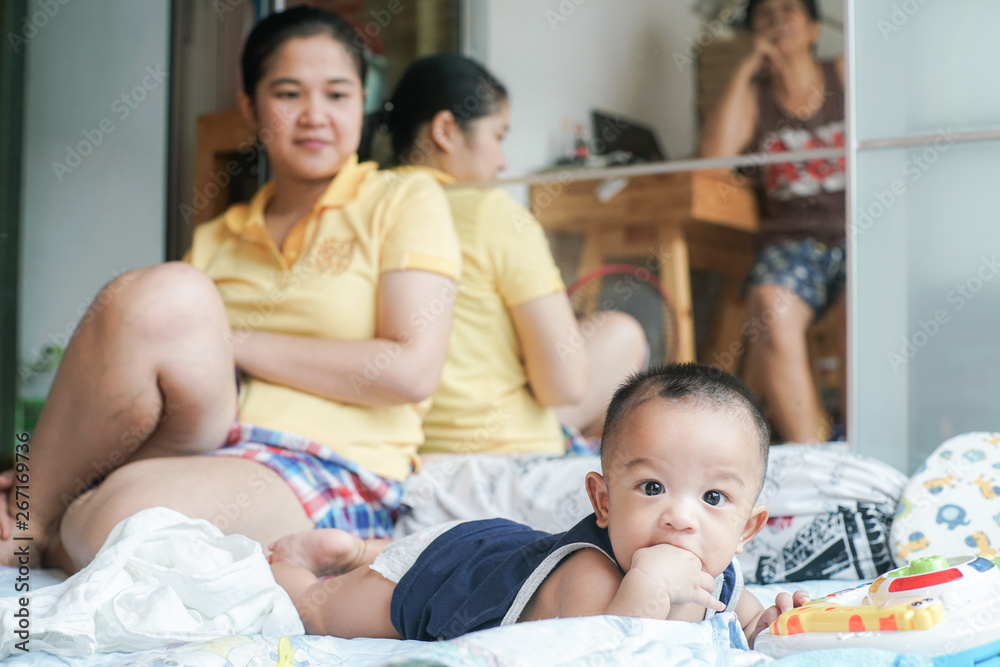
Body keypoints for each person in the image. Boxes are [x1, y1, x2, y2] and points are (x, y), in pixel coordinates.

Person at [0, 6, 460, 572]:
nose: (315, 115)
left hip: (327, 462)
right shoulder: (219, 235)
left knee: (118, 523)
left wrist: (230, 339)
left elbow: (410, 370)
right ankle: (31, 510)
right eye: (289, 94)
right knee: (165, 293)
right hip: (204, 439)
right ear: (250, 106)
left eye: (337, 95)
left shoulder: (403, 199)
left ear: (360, 104)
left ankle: (51, 521)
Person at [269, 363, 802, 648]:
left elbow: (744, 625)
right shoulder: (590, 578)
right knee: (318, 614)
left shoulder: (723, 578)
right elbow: (614, 650)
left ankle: (360, 549)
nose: (681, 517)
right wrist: (650, 585)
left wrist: (773, 629)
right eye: (652, 487)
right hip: (448, 570)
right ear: (603, 500)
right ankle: (308, 567)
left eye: (713, 498)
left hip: (506, 551)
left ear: (745, 530)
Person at [382, 53, 648, 455]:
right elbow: (566, 385)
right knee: (620, 334)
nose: (503, 161)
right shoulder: (489, 209)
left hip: (395, 445)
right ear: (446, 131)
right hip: (494, 448)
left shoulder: (364, 204)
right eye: (498, 136)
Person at [699, 0, 846, 443]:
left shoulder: (843, 73)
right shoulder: (755, 95)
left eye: (789, 10)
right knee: (767, 305)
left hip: (863, 233)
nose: (778, 19)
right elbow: (713, 162)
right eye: (765, 15)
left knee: (866, 311)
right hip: (792, 244)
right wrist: (745, 68)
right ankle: (814, 457)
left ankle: (872, 449)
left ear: (814, 28)